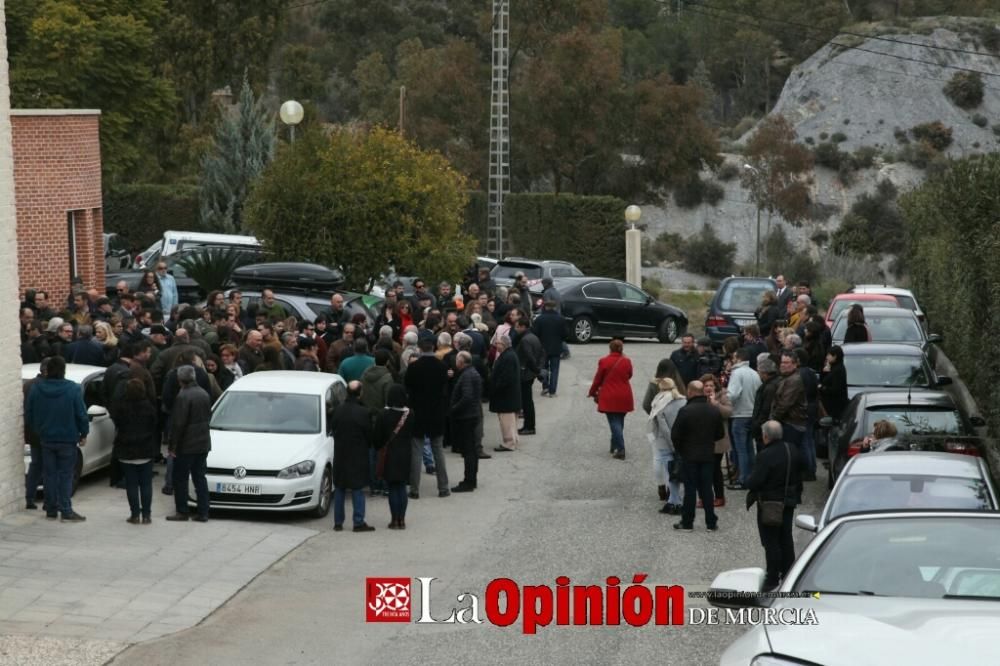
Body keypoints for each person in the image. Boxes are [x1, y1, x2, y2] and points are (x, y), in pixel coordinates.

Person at [25, 356, 89, 522]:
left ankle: (51, 508)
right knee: (66, 474)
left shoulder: (37, 389)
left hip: (46, 438)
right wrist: (84, 433)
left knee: (49, 474)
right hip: (67, 437)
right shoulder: (72, 389)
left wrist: (39, 429)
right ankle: (66, 509)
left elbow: (30, 414)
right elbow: (81, 414)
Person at [746, 421, 804, 591]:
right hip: (789, 500)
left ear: (765, 436)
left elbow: (755, 481)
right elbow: (804, 467)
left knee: (771, 541)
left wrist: (747, 481)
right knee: (786, 538)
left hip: (770, 503)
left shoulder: (765, 455)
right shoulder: (792, 449)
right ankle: (789, 574)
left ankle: (772, 578)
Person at [670, 381, 724, 532]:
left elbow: (675, 435)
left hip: (689, 455)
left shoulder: (685, 411)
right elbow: (720, 434)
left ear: (691, 392)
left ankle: (687, 522)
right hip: (707, 454)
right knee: (707, 488)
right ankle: (711, 522)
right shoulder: (713, 411)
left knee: (690, 489)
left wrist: (681, 449)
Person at [404, 331, 451, 497]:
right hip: (436, 412)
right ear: (434, 347)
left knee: (416, 450)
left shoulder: (414, 367)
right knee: (438, 450)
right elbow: (444, 389)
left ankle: (415, 489)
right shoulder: (441, 366)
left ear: (420, 349)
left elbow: (407, 387)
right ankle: (443, 488)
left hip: (418, 412)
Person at [166, 365, 212, 522]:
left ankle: (182, 511)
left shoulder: (183, 396)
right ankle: (203, 512)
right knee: (200, 477)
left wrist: (172, 446)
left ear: (180, 380)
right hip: (203, 442)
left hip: (187, 445)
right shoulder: (203, 393)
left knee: (180, 478)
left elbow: (178, 423)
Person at [110, 378, 159, 524]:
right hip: (145, 450)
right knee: (146, 484)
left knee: (131, 484)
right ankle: (147, 515)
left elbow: (116, 422)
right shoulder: (149, 407)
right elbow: (154, 425)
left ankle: (135, 514)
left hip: (126, 450)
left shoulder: (121, 407)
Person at [331, 381, 376, 532]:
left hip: (340, 453)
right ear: (360, 393)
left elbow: (333, 429)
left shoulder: (337, 410)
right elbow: (370, 435)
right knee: (357, 488)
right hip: (357, 454)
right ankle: (358, 521)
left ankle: (338, 522)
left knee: (340, 488)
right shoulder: (363, 412)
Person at [587, 339, 634, 460]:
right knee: (620, 420)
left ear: (610, 348)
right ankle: (614, 445)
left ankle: (621, 448)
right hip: (624, 395)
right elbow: (629, 375)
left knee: (614, 421)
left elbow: (598, 379)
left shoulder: (604, 361)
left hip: (609, 395)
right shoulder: (627, 361)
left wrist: (592, 392)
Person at [374, 385, 413, 529]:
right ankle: (402, 519)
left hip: (389, 454)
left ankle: (394, 520)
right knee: (402, 487)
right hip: (405, 454)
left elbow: (377, 438)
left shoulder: (383, 415)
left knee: (392, 488)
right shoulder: (410, 414)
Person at [647, 377, 685, 514]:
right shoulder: (683, 401)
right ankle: (673, 501)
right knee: (678, 472)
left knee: (671, 474)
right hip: (682, 441)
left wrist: (673, 445)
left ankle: (676, 502)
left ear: (661, 388)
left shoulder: (659, 403)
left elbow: (664, 428)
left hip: (665, 443)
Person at [726, 347, 762, 490]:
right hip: (752, 414)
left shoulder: (737, 373)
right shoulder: (754, 373)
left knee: (741, 449)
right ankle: (751, 476)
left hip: (740, 414)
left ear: (739, 358)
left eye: (734, 357)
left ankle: (743, 479)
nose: (732, 360)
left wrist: (724, 398)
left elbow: (733, 394)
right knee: (749, 448)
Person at [450, 351, 483, 493]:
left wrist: (454, 409)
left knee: (468, 450)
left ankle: (469, 481)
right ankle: (471, 479)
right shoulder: (471, 372)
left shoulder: (467, 375)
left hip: (467, 417)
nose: (455, 363)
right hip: (472, 414)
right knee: (471, 450)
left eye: (457, 361)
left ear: (461, 362)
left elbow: (467, 397)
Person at [701, 374, 732, 507]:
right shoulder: (698, 397)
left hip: (717, 440)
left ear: (715, 386)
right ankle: (704, 497)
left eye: (711, 385)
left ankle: (719, 496)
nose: (708, 388)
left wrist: (716, 404)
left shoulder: (722, 395)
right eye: (706, 385)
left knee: (714, 469)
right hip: (701, 439)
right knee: (701, 470)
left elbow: (729, 412)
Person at [771, 351, 808, 455]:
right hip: (789, 422)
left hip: (792, 424)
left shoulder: (794, 380)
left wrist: (772, 419)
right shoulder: (786, 377)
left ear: (795, 364)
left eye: (787, 362)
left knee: (790, 454)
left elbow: (784, 404)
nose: (783, 365)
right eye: (782, 362)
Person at [489, 334, 522, 452]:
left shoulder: (508, 357)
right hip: (509, 396)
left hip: (506, 397)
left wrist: (495, 387)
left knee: (507, 421)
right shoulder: (509, 355)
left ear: (503, 345)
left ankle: (509, 443)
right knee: (511, 421)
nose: (495, 345)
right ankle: (513, 440)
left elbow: (505, 378)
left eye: (497, 343)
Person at [514, 318, 544, 436]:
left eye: (517, 326)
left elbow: (530, 357)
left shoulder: (525, 340)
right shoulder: (534, 337)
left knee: (527, 402)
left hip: (525, 374)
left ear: (523, 327)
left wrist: (537, 370)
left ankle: (529, 426)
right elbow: (542, 353)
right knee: (528, 401)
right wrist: (538, 369)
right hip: (530, 374)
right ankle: (528, 425)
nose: (515, 329)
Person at [532, 301, 564, 397]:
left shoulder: (540, 319)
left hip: (543, 349)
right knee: (554, 370)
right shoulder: (561, 319)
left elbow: (535, 334)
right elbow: (565, 334)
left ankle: (545, 387)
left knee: (543, 368)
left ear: (545, 307)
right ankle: (552, 391)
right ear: (554, 307)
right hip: (556, 348)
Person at [819, 345, 849, 422]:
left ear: (835, 356)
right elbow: (824, 380)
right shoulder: (832, 367)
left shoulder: (839, 370)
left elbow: (835, 389)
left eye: (829, 355)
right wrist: (824, 372)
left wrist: (821, 388)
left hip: (835, 408)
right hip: (829, 406)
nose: (827, 357)